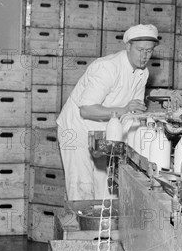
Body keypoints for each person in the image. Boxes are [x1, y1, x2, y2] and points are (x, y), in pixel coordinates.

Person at [57, 24, 159, 200]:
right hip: (77, 129)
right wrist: (123, 110)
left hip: (103, 132)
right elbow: (86, 110)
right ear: (128, 46)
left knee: (105, 188)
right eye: (140, 49)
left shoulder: (143, 73)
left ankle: (98, 226)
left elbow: (133, 113)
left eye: (149, 51)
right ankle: (80, 224)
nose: (144, 56)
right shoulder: (107, 67)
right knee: (82, 186)